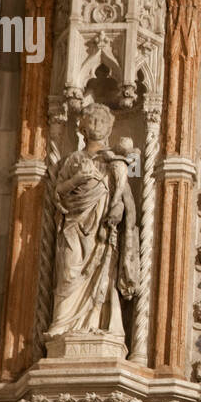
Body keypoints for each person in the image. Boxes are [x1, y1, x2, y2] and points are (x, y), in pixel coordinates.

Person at [47, 104, 140, 345]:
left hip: (102, 231)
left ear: (110, 128)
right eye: (92, 120)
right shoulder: (73, 160)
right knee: (69, 270)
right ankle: (61, 327)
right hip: (73, 224)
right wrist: (78, 179)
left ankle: (95, 324)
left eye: (102, 121)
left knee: (102, 274)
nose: (97, 125)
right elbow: (57, 193)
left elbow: (126, 199)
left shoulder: (113, 161)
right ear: (82, 127)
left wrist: (118, 209)